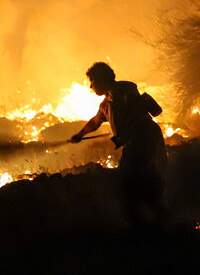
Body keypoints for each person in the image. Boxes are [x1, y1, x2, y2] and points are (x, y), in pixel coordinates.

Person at [70, 62, 167, 225]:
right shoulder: (106, 104)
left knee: (132, 178)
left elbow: (135, 110)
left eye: (92, 82)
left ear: (101, 80)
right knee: (141, 177)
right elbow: (95, 121)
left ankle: (149, 221)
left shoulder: (125, 91)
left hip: (143, 139)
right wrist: (80, 134)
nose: (90, 87)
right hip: (136, 142)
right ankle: (154, 217)